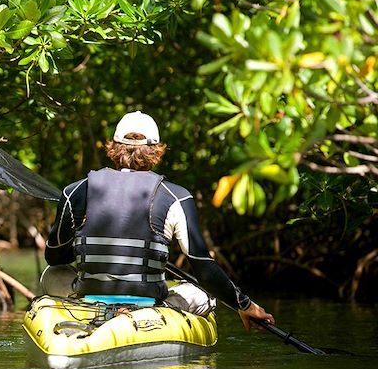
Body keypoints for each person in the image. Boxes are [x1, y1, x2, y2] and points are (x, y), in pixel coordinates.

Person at [43, 111, 274, 331]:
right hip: (149, 306)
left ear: (113, 148)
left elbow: (55, 257)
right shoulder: (176, 196)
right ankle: (143, 316)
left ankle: (93, 311)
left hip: (88, 298)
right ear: (156, 151)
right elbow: (203, 267)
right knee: (201, 293)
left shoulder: (76, 191)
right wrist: (244, 304)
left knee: (52, 274)